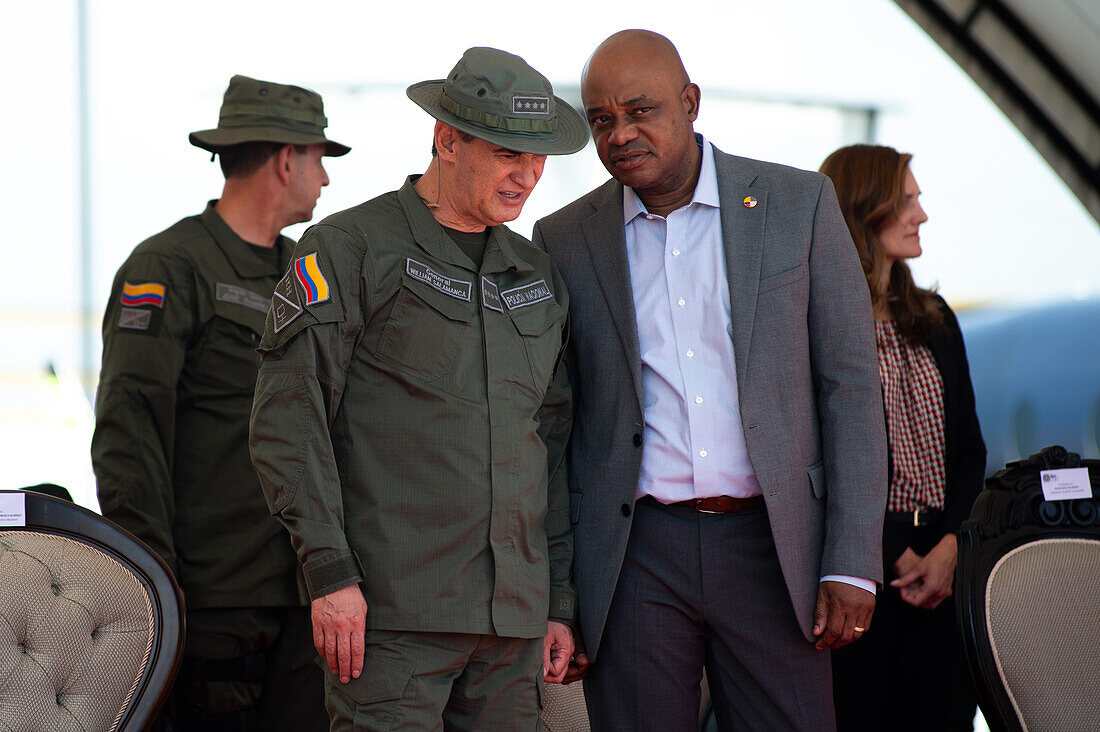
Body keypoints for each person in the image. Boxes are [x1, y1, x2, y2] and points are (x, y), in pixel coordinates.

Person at [532, 30, 888, 731]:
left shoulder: (799, 204)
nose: (621, 134)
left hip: (773, 544)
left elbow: (850, 389)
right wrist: (560, 593)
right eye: (602, 120)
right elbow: (554, 427)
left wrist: (851, 562)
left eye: (641, 111)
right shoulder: (564, 239)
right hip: (636, 557)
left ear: (690, 102)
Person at [247, 47, 587, 731]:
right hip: (391, 617)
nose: (526, 175)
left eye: (538, 156)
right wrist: (331, 574)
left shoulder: (538, 276)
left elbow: (548, 448)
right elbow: (290, 419)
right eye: (505, 153)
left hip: (512, 625)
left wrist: (556, 599)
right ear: (447, 139)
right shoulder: (349, 248)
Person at [92, 74, 348, 730]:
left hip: (303, 596)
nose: (325, 180)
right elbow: (130, 429)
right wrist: (152, 581)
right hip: (210, 600)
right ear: (286, 159)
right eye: (320, 160)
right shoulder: (169, 268)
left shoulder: (307, 273)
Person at [820, 144, 986, 731]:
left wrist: (951, 548)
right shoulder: (819, 319)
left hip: (944, 568)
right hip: (858, 575)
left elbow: (969, 450)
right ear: (865, 210)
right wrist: (895, 552)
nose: (921, 215)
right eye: (906, 200)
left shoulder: (936, 315)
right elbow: (823, 458)